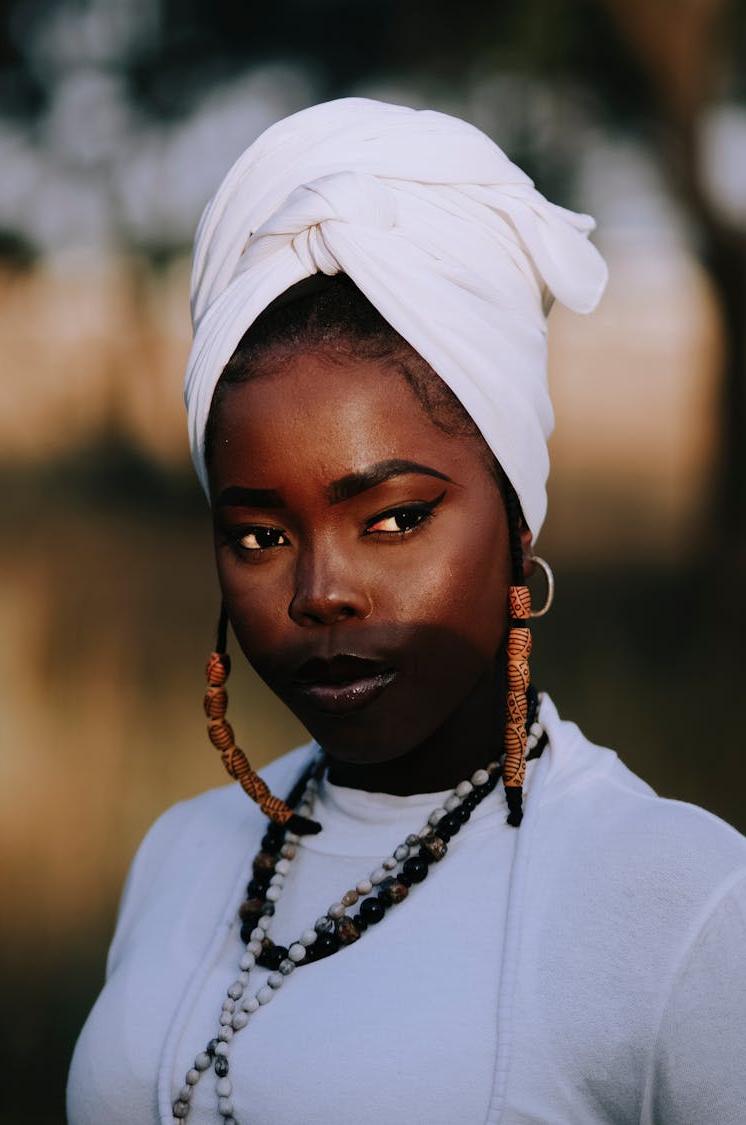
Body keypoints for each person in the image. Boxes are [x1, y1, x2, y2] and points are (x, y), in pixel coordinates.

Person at [67, 98, 746, 1125]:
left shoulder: (679, 907)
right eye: (258, 534)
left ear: (518, 521)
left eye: (393, 519)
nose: (319, 591)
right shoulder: (181, 857)